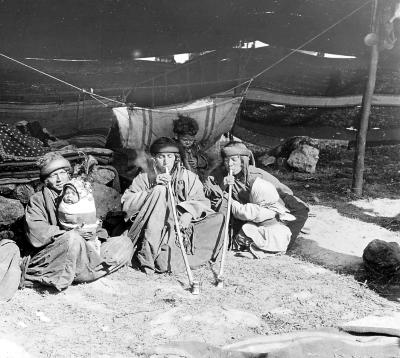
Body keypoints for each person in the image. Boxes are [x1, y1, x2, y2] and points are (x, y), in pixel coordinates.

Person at [23, 152, 133, 291]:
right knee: (73, 239)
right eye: (53, 175)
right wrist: (68, 233)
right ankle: (85, 272)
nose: (59, 179)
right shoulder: (38, 200)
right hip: (56, 253)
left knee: (124, 242)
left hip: (84, 249)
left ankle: (78, 272)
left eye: (62, 173)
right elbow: (36, 233)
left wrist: (95, 233)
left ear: (68, 174)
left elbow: (89, 221)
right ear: (46, 180)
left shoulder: (78, 194)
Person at [121, 137, 224, 274]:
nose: (165, 161)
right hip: (155, 227)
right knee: (164, 263)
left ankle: (189, 253)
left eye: (169, 157)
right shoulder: (144, 178)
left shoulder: (188, 177)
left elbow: (202, 201)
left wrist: (188, 213)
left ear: (176, 158)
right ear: (154, 159)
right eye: (161, 157)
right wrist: (152, 191)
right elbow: (127, 202)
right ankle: (149, 254)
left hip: (182, 223)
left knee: (219, 219)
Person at [208, 141, 309, 251]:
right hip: (242, 213)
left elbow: (282, 191)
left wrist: (294, 207)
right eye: (226, 160)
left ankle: (282, 244)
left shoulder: (256, 175)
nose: (230, 164)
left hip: (262, 210)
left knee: (300, 211)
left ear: (243, 161)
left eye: (234, 160)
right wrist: (223, 185)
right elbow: (209, 191)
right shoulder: (219, 173)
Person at [232, 177, 296, 258]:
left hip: (267, 235)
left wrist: (232, 201)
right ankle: (272, 251)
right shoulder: (274, 204)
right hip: (279, 234)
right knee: (271, 242)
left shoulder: (257, 209)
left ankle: (255, 251)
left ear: (257, 195)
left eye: (250, 192)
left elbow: (240, 211)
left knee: (247, 228)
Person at [58, 178, 102, 255]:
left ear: (80, 195)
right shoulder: (63, 206)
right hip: (70, 236)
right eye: (66, 193)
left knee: (90, 249)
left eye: (73, 193)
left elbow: (89, 221)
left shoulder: (84, 205)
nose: (69, 196)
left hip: (88, 236)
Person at [172, 115, 208, 179]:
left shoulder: (196, 147)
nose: (188, 142)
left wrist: (197, 161)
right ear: (176, 136)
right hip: (179, 178)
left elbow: (205, 161)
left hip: (195, 178)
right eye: (185, 140)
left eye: (191, 140)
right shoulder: (173, 147)